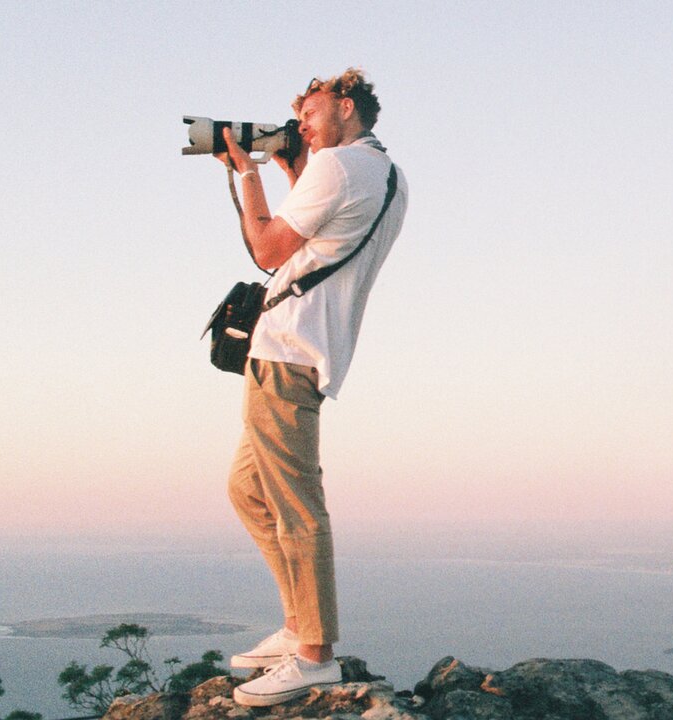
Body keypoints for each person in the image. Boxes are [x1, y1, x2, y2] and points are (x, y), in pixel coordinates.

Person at [213, 68, 408, 707]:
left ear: (346, 106)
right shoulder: (385, 175)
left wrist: (247, 173)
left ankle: (314, 654)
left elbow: (270, 250)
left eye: (310, 114)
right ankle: (300, 623)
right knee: (248, 490)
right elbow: (322, 235)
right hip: (312, 351)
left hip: (286, 351)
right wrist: (297, 168)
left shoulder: (338, 167)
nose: (299, 126)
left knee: (295, 501)